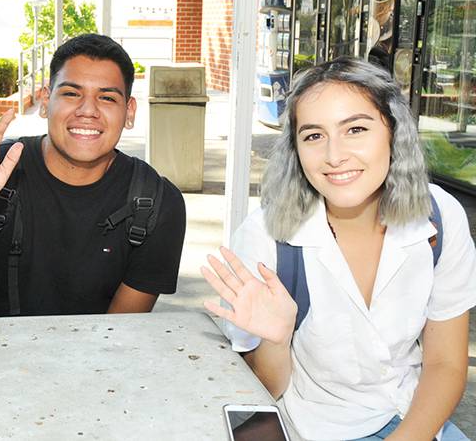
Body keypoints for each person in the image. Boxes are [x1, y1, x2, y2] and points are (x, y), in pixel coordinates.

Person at [201, 57, 475, 441]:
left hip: (417, 417)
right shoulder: (268, 237)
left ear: (394, 132)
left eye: (356, 129)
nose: (334, 156)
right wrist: (276, 341)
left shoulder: (440, 217)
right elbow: (265, 390)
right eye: (313, 135)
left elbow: (446, 363)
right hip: (318, 428)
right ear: (295, 149)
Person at [0, 34, 186, 320]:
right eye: (71, 93)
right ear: (44, 101)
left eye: (107, 97)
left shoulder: (155, 201)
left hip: (98, 358)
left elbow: (119, 332)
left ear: (129, 111)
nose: (88, 111)